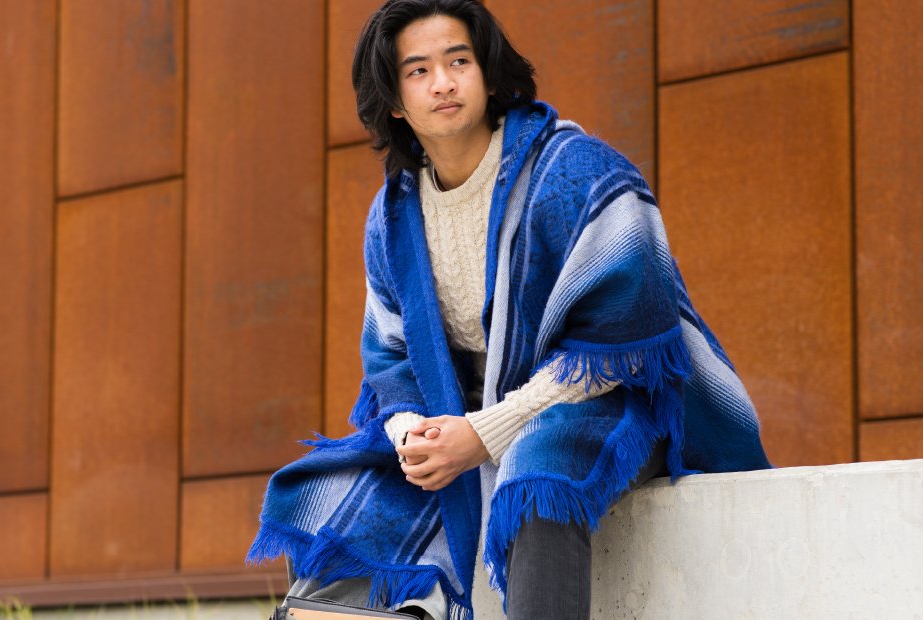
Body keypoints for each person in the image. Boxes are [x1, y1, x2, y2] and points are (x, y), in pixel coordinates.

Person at [249, 1, 772, 618]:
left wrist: (485, 433)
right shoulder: (392, 216)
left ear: (488, 73)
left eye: (459, 61)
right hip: (471, 413)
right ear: (394, 101)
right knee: (334, 496)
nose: (442, 82)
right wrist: (414, 435)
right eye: (418, 71)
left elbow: (623, 347)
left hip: (616, 399)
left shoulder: (573, 171)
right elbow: (389, 363)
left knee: (537, 475)